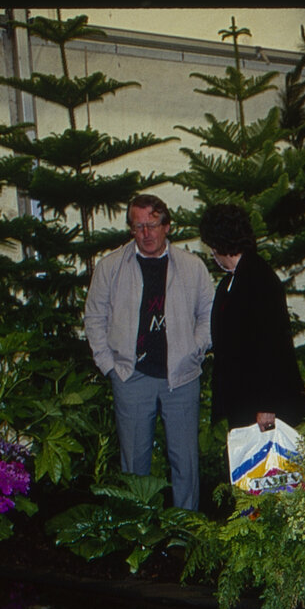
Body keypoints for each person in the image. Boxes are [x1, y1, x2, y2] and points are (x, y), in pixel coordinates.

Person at [84, 193, 215, 510]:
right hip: (132, 376)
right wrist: (109, 366)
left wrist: (194, 351)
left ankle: (185, 528)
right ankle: (139, 532)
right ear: (131, 228)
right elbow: (94, 317)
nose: (146, 233)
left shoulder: (192, 267)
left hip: (181, 378)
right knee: (134, 463)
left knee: (185, 461)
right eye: (138, 226)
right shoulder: (111, 267)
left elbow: (209, 315)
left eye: (152, 225)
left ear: (167, 226)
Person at [198, 203, 305, 433]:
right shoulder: (229, 281)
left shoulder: (259, 278)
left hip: (262, 404)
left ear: (218, 242)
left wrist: (267, 405)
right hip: (242, 397)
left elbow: (272, 344)